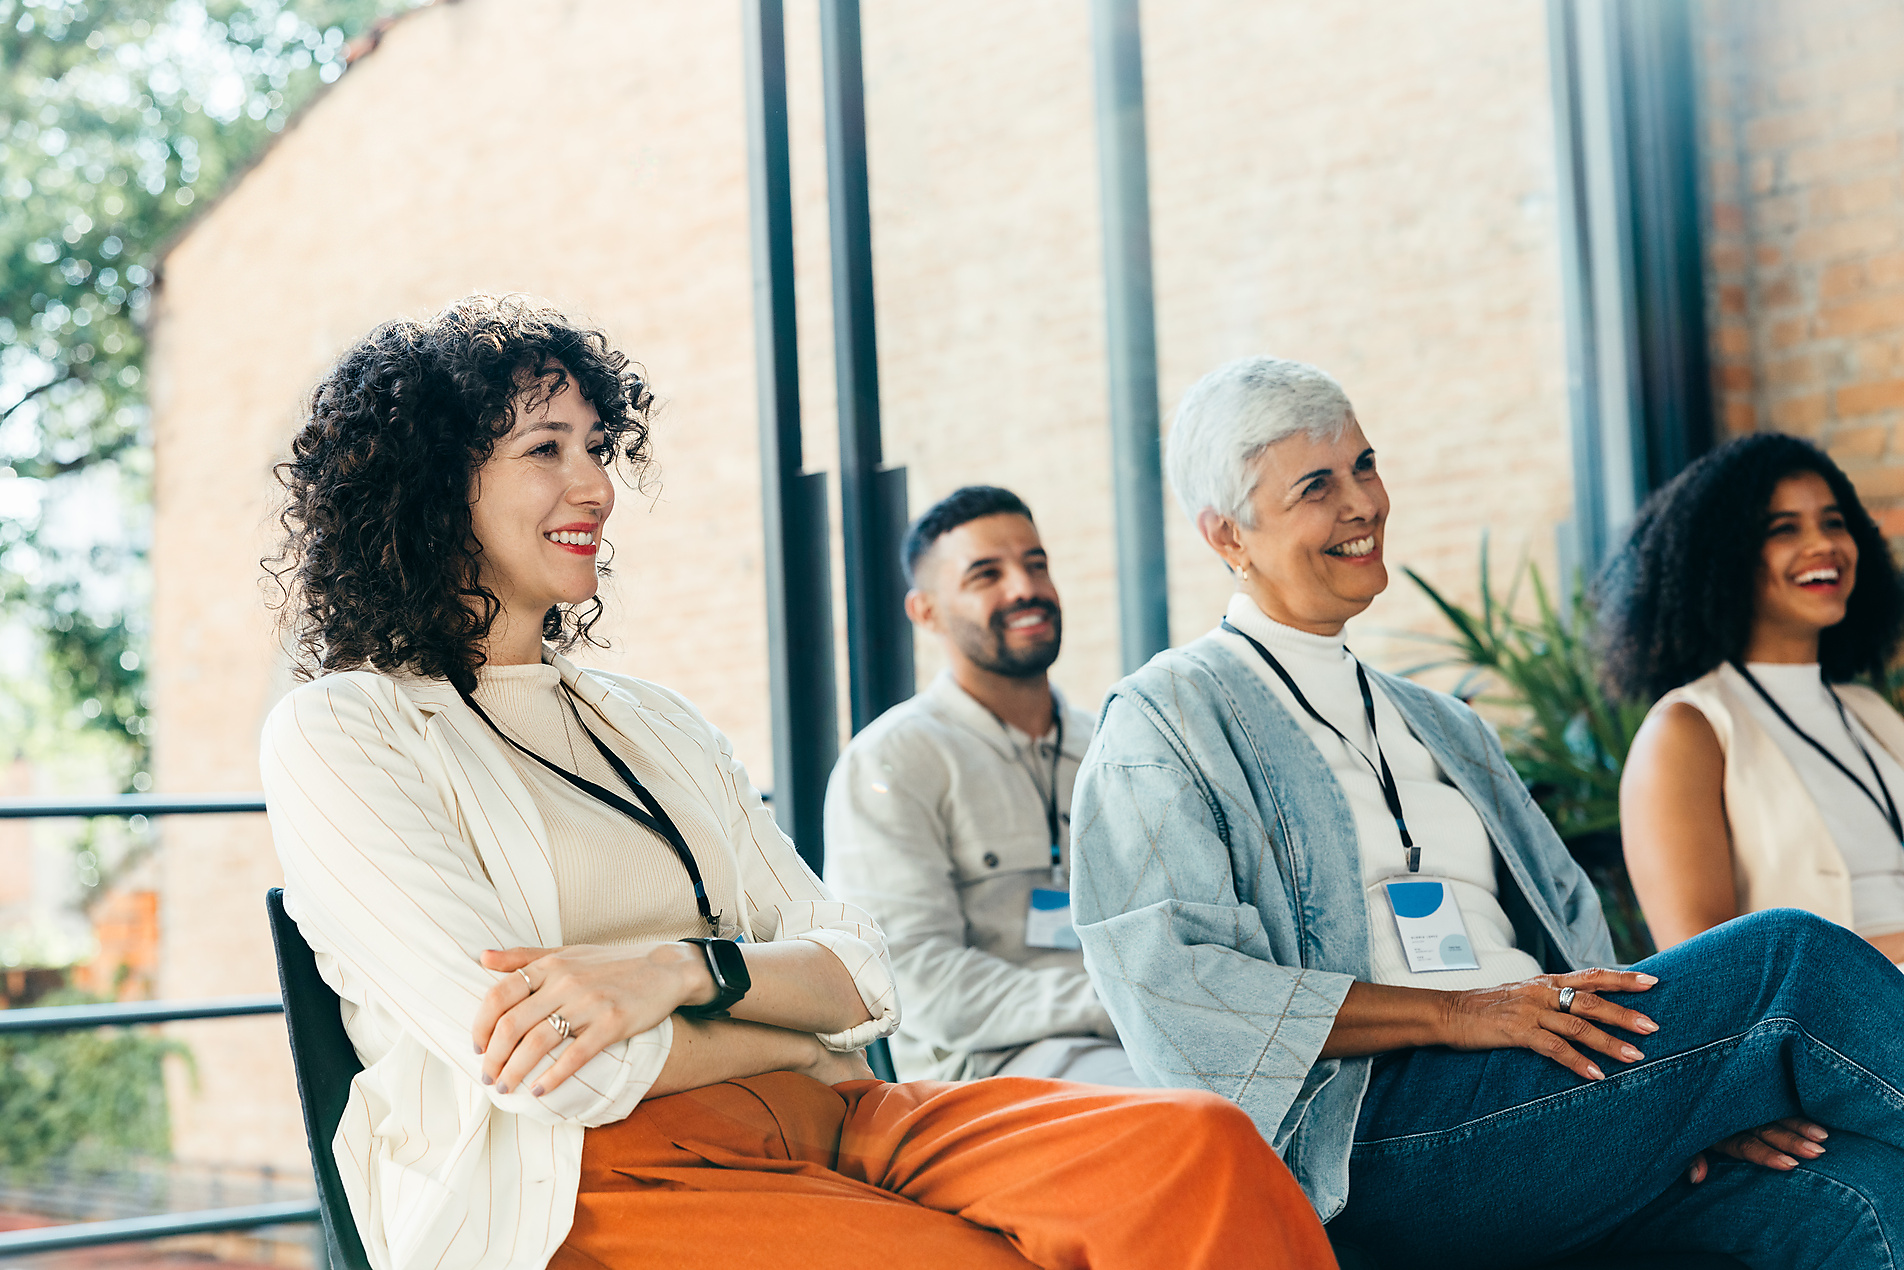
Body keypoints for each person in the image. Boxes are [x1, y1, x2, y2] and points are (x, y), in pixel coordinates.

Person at [256, 298, 1334, 1270]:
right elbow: (560, 1075)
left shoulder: (654, 721)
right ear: (436, 486)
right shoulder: (345, 732)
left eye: (596, 445)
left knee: (1200, 1148)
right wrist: (781, 1012)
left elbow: (865, 978)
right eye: (545, 448)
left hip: (845, 1114)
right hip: (594, 1178)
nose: (593, 483)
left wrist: (675, 973)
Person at [1071, 354, 1904, 1268]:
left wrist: (1686, 1096)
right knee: (1791, 957)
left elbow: (1578, 947)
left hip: (1553, 1092)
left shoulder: (1443, 724)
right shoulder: (1165, 720)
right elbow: (1173, 987)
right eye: (1317, 485)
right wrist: (1456, 1013)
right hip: (1379, 1136)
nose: (1363, 504)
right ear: (1227, 536)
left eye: (1364, 465)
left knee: (1863, 1195)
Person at [823, 487, 1131, 1084]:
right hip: (988, 1076)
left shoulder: (1114, 750)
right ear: (927, 612)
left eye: (1036, 564)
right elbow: (911, 976)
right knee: (1197, 1116)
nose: (1025, 589)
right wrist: (1117, 1006)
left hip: (1139, 1044)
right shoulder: (892, 762)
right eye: (987, 574)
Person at [1597, 434, 1904, 958]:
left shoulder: (1868, 712)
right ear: (1724, 558)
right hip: (1834, 1027)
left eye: (1834, 522)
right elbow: (1710, 973)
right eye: (1784, 529)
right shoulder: (1688, 729)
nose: (1823, 544)